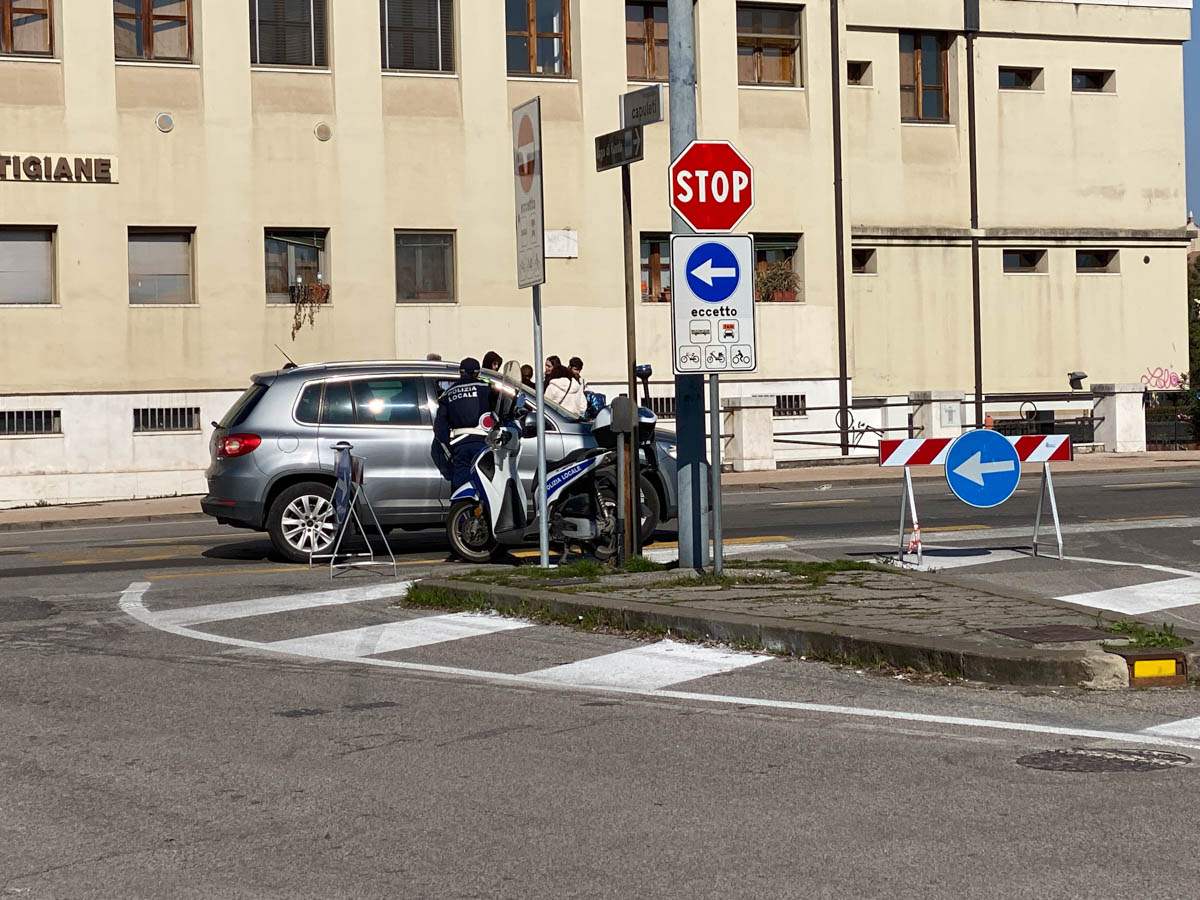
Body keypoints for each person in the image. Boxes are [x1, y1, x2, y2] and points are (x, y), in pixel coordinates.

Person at [433, 357, 493, 491]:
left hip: (460, 446)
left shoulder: (447, 394)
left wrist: (449, 452)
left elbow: (439, 428)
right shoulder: (486, 388)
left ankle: (462, 510)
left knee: (462, 489)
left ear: (460, 372)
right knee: (488, 488)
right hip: (484, 445)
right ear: (478, 373)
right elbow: (502, 410)